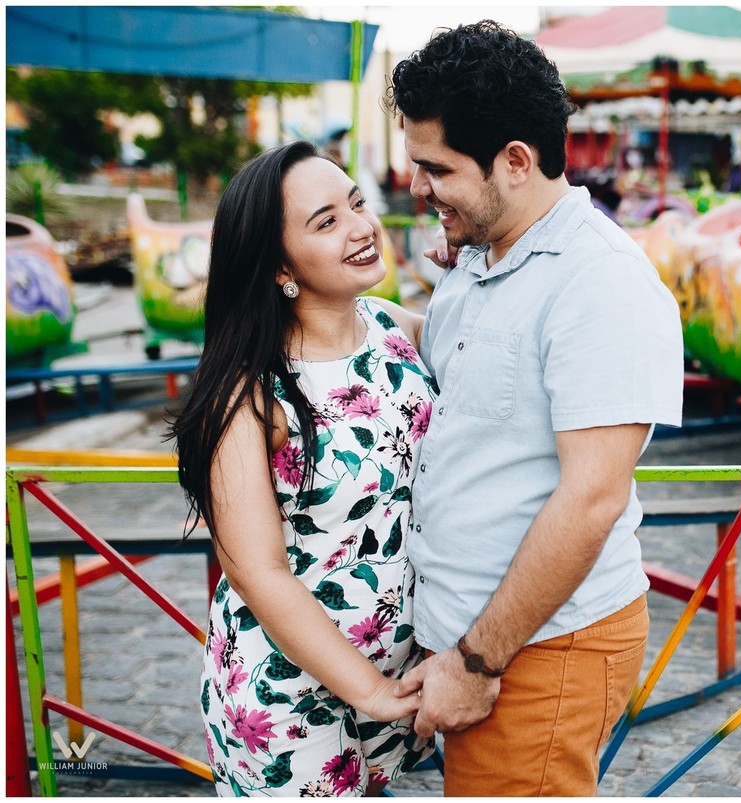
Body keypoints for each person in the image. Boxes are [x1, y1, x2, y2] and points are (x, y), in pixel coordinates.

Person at [385, 21, 684, 796]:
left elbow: (591, 500)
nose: (416, 188)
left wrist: (479, 662)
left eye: (435, 168)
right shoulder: (488, 253)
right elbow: (458, 358)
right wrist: (336, 311)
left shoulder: (600, 282)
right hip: (490, 641)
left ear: (515, 161)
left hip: (536, 651)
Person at [169, 140, 434, 796]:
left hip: (395, 680)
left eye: (356, 205)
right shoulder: (249, 394)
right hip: (288, 698)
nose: (360, 226)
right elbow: (256, 572)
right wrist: (369, 689)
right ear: (277, 264)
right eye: (326, 222)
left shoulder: (393, 329)